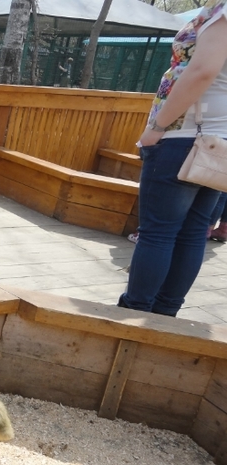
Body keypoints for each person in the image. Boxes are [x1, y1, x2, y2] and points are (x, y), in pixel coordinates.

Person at [118, 1, 227, 316]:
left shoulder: (222, 12)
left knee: (158, 232)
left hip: (185, 135)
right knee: (193, 232)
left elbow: (202, 71)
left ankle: (134, 313)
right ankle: (165, 315)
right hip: (218, 141)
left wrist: (158, 127)